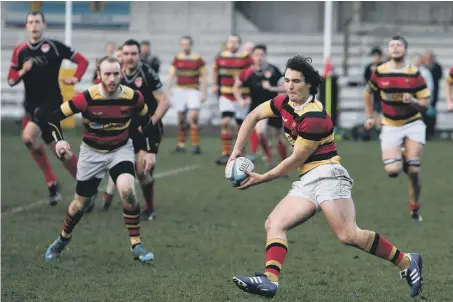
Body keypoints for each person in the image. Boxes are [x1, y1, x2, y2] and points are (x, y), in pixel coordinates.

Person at [230, 55, 423, 299]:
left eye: (296, 81)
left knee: (348, 235)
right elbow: (253, 115)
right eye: (287, 80)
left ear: (309, 84)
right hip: (308, 179)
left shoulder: (315, 118)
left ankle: (407, 261)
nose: (289, 86)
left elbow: (295, 160)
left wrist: (262, 177)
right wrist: (237, 150)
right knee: (274, 223)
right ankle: (270, 280)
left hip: (329, 176)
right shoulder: (284, 103)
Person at [43, 56, 160, 262]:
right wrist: (59, 141)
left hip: (120, 150)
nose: (112, 78)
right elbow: (53, 118)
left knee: (127, 190)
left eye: (116, 73)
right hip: (92, 153)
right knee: (80, 205)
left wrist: (150, 150)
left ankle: (136, 245)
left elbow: (148, 124)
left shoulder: (134, 97)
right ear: (99, 76)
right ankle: (63, 238)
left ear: (121, 73)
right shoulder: (86, 98)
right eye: (107, 74)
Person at [7, 11, 89, 205]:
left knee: (28, 137)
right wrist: (22, 70)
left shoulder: (54, 47)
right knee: (60, 151)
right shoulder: (20, 51)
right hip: (31, 107)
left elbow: (82, 61)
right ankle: (75, 185)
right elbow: (11, 80)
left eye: (37, 22)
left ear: (44, 25)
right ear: (27, 26)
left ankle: (58, 184)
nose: (34, 25)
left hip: (51, 106)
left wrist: (76, 78)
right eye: (30, 22)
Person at [101, 39, 170, 221]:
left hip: (148, 130)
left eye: (134, 54)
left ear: (140, 55)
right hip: (126, 129)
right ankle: (110, 196)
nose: (130, 57)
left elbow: (165, 101)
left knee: (142, 171)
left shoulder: (148, 74)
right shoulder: (116, 76)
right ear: (121, 55)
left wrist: (152, 122)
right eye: (127, 54)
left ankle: (149, 208)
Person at [364, 36, 430, 222]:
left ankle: (415, 205)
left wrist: (415, 101)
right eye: (392, 45)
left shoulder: (414, 73)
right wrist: (369, 117)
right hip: (390, 125)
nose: (395, 48)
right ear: (388, 50)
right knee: (393, 171)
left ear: (405, 50)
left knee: (414, 169)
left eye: (399, 45)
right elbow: (368, 92)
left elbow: (426, 104)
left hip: (412, 123)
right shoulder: (380, 71)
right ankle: (402, 155)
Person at [232, 44, 287, 168]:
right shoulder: (247, 71)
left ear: (265, 55)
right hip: (257, 108)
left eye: (261, 55)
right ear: (252, 56)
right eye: (256, 55)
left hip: (274, 106)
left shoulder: (273, 70)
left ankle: (284, 164)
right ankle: (269, 159)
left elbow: (285, 87)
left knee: (278, 136)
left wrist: (271, 88)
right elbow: (236, 87)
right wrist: (240, 99)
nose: (259, 57)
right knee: (261, 133)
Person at [212, 34, 253, 165]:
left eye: (235, 42)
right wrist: (214, 84)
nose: (232, 44)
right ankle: (225, 153)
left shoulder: (246, 58)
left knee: (239, 127)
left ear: (239, 44)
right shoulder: (221, 56)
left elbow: (252, 72)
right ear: (227, 43)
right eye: (230, 42)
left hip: (242, 95)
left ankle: (242, 153)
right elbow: (214, 69)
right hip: (226, 94)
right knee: (226, 122)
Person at [167, 36, 207, 154]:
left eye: (187, 44)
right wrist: (169, 90)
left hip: (193, 90)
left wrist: (204, 92)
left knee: (193, 116)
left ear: (191, 45)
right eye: (183, 44)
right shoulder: (177, 59)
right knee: (181, 118)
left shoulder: (198, 59)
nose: (185, 46)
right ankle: (181, 144)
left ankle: (195, 144)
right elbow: (171, 75)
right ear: (181, 45)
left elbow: (204, 77)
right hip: (180, 90)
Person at [422, 51, 444, 136]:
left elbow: (439, 76)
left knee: (432, 111)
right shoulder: (423, 67)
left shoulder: (437, 67)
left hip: (434, 92)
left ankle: (431, 130)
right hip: (423, 92)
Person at [363, 47, 384, 129]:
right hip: (374, 94)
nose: (375, 57)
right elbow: (366, 80)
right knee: (374, 111)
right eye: (374, 56)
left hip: (383, 92)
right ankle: (377, 128)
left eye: (377, 56)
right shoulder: (369, 67)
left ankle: (381, 127)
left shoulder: (383, 66)